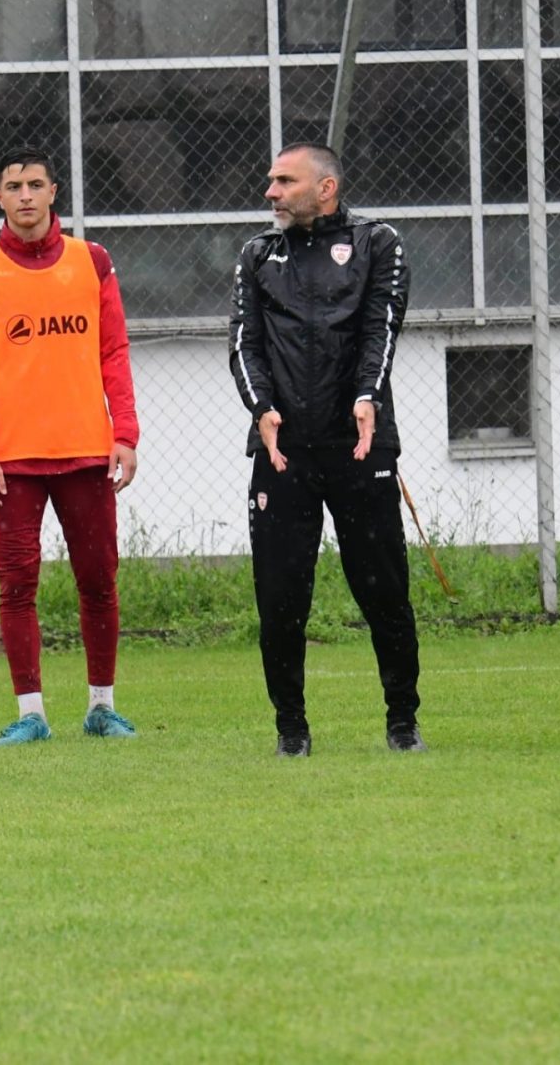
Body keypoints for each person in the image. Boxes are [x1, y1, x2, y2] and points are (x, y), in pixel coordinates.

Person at [228, 141, 425, 758]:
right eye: (271, 181)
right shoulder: (258, 254)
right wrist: (262, 408)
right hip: (282, 452)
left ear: (326, 188)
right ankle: (291, 730)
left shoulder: (377, 243)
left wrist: (367, 396)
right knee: (281, 597)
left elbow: (381, 329)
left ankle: (402, 722)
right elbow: (243, 343)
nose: (271, 192)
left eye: (285, 181)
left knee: (383, 590)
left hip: (359, 447)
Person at [0, 147, 142, 746]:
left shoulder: (93, 261)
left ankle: (102, 707)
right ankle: (31, 713)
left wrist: (125, 434)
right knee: (16, 586)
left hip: (86, 451)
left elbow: (114, 351)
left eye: (36, 184)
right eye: (14, 186)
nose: (26, 195)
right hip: (12, 461)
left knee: (98, 580)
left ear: (54, 192)